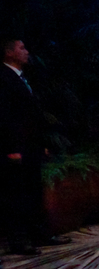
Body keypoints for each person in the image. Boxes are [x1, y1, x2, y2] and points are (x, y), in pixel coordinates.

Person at [1, 37, 55, 254]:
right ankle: (18, 241)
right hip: (16, 148)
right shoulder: (3, 78)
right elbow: (4, 117)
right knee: (17, 194)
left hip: (29, 145)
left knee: (33, 190)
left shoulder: (23, 78)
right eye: (21, 48)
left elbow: (30, 116)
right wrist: (10, 148)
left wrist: (40, 144)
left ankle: (38, 234)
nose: (26, 51)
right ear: (9, 53)